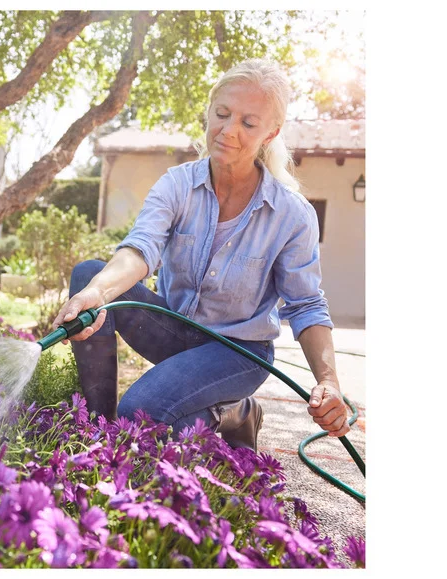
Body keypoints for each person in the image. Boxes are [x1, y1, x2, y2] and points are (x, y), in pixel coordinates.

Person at [52, 59, 350, 452]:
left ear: (270, 133)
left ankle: (235, 412)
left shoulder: (292, 215)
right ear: (209, 111)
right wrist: (99, 292)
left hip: (239, 354)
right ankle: (98, 432)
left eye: (248, 122)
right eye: (222, 114)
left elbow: (307, 305)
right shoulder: (177, 185)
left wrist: (328, 381)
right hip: (173, 328)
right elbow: (141, 249)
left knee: (142, 412)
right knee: (89, 274)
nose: (228, 131)